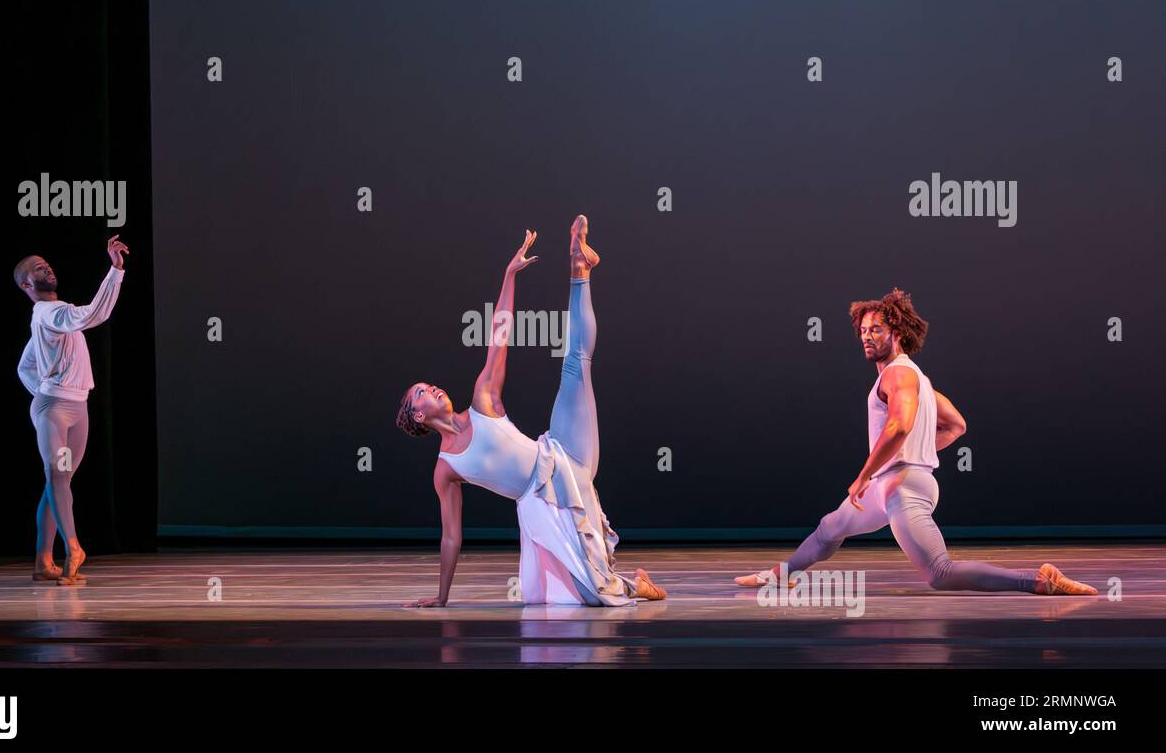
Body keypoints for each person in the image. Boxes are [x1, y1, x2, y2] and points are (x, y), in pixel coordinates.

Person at [734, 288, 1097, 596]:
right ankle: (782, 575)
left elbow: (899, 427)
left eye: (877, 329)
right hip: (891, 483)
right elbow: (956, 426)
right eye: (863, 330)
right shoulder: (917, 378)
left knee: (939, 573)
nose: (867, 335)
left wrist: (865, 475)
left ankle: (1038, 580)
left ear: (898, 333)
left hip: (902, 487)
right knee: (831, 527)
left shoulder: (899, 375)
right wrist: (907, 457)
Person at [396, 215, 666, 607]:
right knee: (586, 596)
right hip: (541, 505)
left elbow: (499, 334)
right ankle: (635, 582)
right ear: (418, 416)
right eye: (421, 392)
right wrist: (441, 597)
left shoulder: (483, 400)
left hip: (561, 452)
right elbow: (452, 535)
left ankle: (579, 268)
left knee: (576, 361)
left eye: (429, 384)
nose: (432, 387)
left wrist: (510, 276)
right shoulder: (446, 470)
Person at [14, 235, 129, 585]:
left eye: (46, 263)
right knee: (57, 477)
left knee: (58, 483)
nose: (45, 267)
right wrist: (116, 270)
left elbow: (25, 365)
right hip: (55, 411)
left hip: (77, 408)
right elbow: (94, 313)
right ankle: (74, 548)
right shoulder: (52, 312)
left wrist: (48, 388)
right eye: (37, 268)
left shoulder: (49, 319)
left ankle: (42, 561)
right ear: (26, 284)